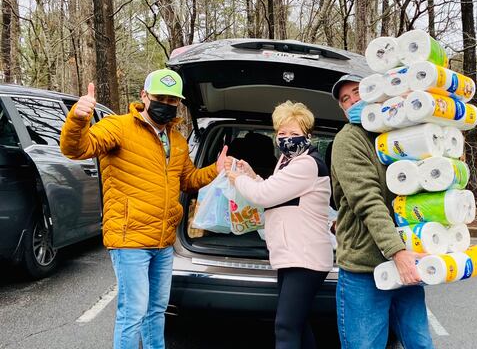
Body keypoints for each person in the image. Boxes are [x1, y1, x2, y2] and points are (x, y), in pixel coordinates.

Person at [59, 69, 226, 349]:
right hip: (130, 239)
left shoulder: (178, 141)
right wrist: (77, 119)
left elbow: (188, 181)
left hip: (163, 242)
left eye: (172, 100)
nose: (166, 104)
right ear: (144, 96)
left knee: (156, 311)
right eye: (160, 97)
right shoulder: (118, 127)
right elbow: (77, 148)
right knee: (133, 313)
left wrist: (215, 170)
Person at [328, 74, 433, 349]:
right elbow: (367, 200)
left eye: (357, 93)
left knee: (420, 344)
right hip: (366, 266)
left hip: (406, 257)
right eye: (345, 100)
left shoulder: (398, 135)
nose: (352, 102)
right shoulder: (348, 140)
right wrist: (396, 252)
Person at [225, 100, 334, 349]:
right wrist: (252, 176)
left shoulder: (307, 164)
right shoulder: (287, 161)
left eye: (294, 134)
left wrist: (239, 179)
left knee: (285, 327)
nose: (287, 139)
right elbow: (277, 191)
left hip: (304, 256)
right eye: (282, 133)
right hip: (292, 254)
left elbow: (264, 196)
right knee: (297, 324)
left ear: (308, 136)